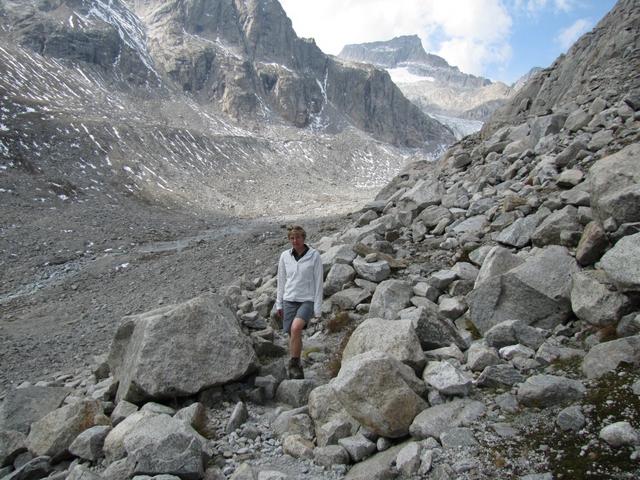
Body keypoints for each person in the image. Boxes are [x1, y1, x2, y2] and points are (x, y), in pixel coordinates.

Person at [275, 225, 324, 379]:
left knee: (296, 329)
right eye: (292, 238)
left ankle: (293, 363)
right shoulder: (285, 256)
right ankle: (298, 367)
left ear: (304, 238)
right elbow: (281, 280)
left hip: (307, 300)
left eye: (298, 237)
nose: (295, 241)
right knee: (293, 334)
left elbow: (318, 282)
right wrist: (279, 303)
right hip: (289, 299)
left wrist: (317, 309)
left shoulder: (314, 255)